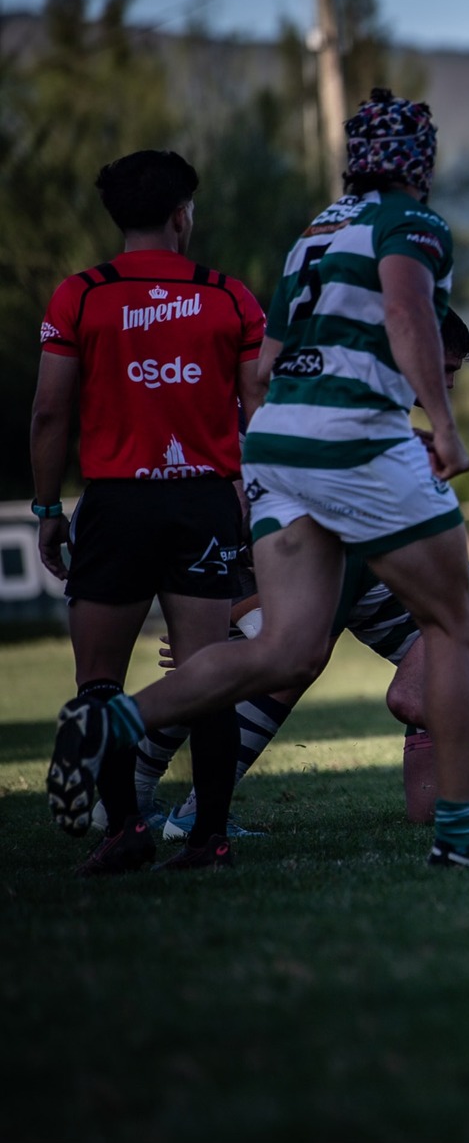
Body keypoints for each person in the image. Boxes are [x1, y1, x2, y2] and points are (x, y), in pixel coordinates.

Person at [47, 89, 469, 868]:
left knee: (286, 651)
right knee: (457, 626)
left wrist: (264, 457)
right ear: (418, 162)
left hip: (276, 443)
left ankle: (116, 722)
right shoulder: (412, 222)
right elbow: (408, 315)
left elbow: (264, 364)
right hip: (357, 437)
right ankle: (462, 838)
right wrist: (446, 422)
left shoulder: (316, 232)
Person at [139, 311, 469, 836]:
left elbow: (316, 606)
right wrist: (227, 628)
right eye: (444, 367)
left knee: (338, 675)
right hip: (420, 630)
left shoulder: (349, 451)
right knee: (429, 809)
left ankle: (196, 806)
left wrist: (238, 628)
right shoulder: (282, 451)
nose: (448, 384)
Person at [32, 150, 267, 875]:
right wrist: (259, 509)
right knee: (209, 675)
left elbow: (50, 413)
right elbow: (257, 416)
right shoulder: (231, 298)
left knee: (98, 681)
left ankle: (125, 829)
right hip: (203, 499)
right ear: (180, 215)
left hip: (116, 503)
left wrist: (47, 507)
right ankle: (211, 839)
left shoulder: (81, 296)